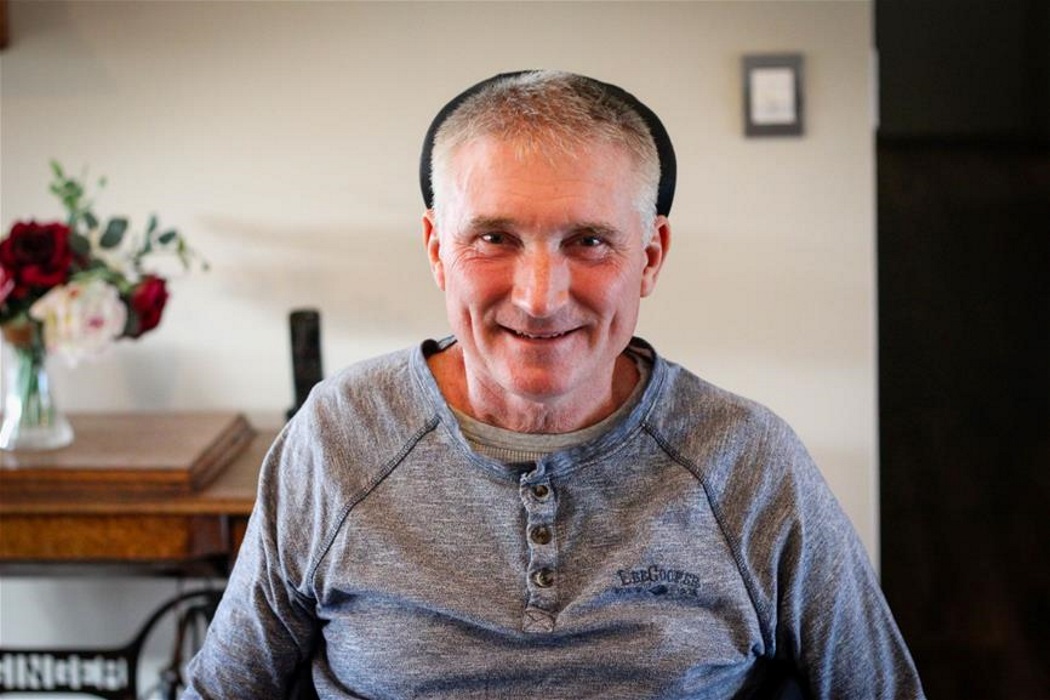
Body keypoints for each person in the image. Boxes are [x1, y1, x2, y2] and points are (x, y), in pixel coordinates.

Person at [183, 70, 924, 699]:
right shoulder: (338, 436)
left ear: (651, 256)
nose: (540, 296)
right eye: (494, 238)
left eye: (590, 241)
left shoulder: (746, 460)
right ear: (439, 250)